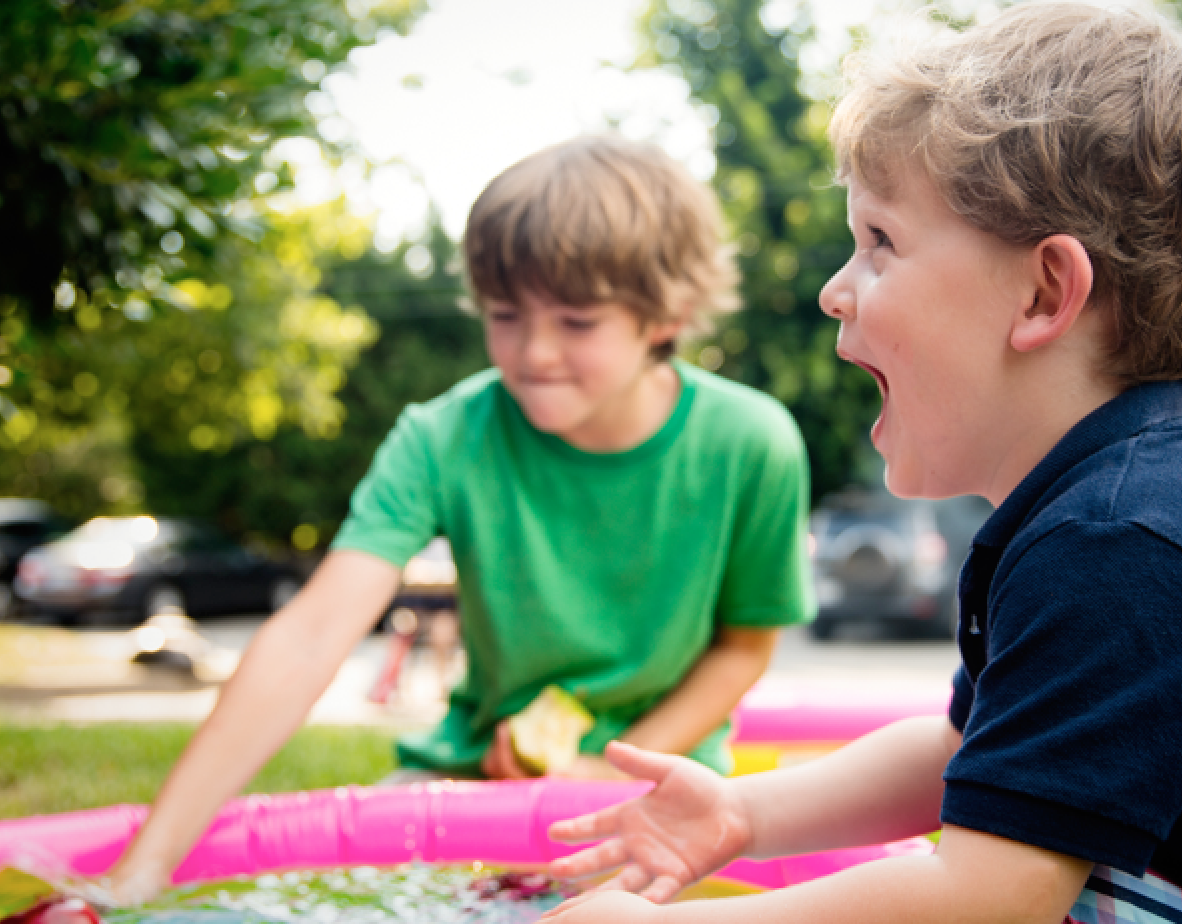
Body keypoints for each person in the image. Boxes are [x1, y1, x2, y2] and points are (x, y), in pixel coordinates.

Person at [537, 3, 1182, 924]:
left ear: (1045, 291)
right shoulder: (1099, 514)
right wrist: (741, 812)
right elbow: (961, 752)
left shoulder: (1132, 546)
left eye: (881, 242)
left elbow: (986, 899)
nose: (833, 290)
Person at [103, 135, 816, 902]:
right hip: (469, 778)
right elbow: (310, 635)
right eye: (505, 315)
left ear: (665, 314)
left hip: (663, 789)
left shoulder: (753, 443)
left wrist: (607, 767)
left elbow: (743, 648)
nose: (534, 352)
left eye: (577, 322)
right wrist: (143, 867)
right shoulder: (442, 436)